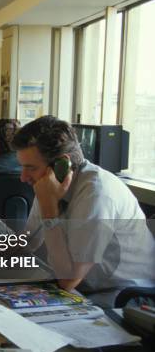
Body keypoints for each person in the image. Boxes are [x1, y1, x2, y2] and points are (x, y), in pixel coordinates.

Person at [12, 116, 155, 307]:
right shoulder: (50, 183)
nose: (23, 178)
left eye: (30, 168)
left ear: (61, 165)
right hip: (86, 288)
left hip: (124, 296)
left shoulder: (97, 194)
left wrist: (49, 211)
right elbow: (28, 242)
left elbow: (67, 282)